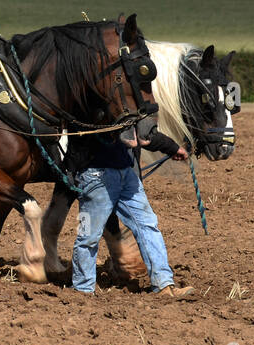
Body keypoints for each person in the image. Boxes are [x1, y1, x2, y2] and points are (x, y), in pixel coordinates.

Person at [70, 121, 196, 298]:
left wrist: (172, 147)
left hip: (125, 172)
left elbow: (143, 136)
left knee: (148, 224)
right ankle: (82, 291)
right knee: (88, 235)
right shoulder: (88, 101)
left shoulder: (123, 99)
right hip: (94, 174)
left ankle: (163, 285)